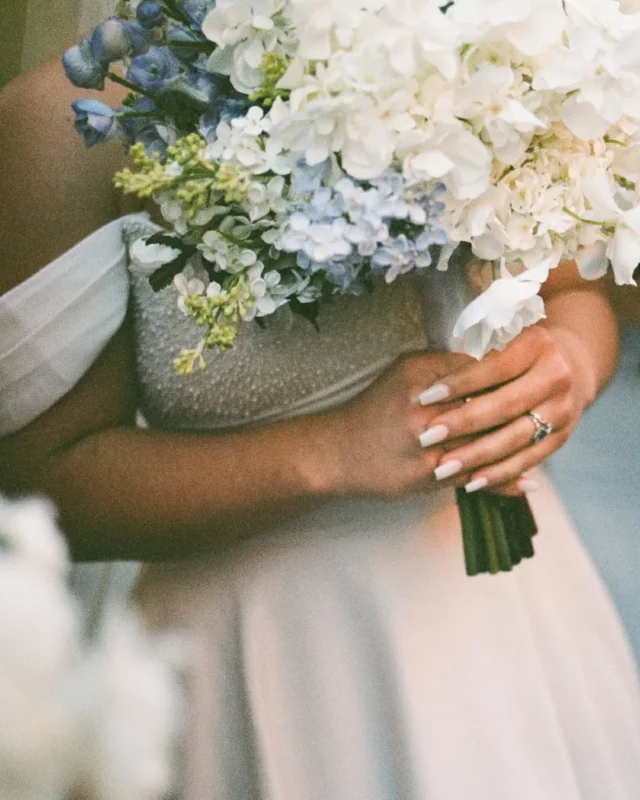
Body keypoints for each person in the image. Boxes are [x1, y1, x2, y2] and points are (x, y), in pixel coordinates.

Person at [1, 57, 640, 800]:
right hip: (255, 654)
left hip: (509, 621)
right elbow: (44, 483)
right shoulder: (68, 121)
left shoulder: (476, 44)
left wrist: (566, 364)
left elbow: (573, 291)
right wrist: (330, 451)